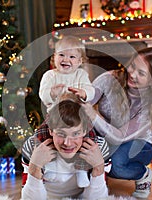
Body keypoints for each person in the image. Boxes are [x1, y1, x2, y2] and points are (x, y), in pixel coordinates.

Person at [83, 47, 152, 199]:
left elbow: (119, 137)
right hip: (106, 136)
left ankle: (143, 175)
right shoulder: (109, 79)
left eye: (141, 73)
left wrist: (93, 115)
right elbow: (86, 101)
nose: (132, 74)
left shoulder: (149, 106)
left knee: (116, 163)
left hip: (136, 144)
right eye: (132, 66)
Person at [21, 95, 109, 199]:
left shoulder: (98, 147)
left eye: (75, 134)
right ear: (51, 130)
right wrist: (34, 167)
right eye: (61, 134)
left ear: (84, 131)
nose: (67, 143)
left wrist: (98, 167)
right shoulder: (33, 146)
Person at [39, 35, 95, 187]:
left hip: (78, 116)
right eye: (61, 55)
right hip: (55, 116)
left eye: (72, 56)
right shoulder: (50, 75)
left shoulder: (81, 75)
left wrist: (84, 93)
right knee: (43, 137)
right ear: (54, 57)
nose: (66, 59)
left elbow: (90, 90)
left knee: (89, 139)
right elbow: (42, 94)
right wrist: (52, 94)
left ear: (79, 61)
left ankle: (81, 170)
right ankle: (49, 167)